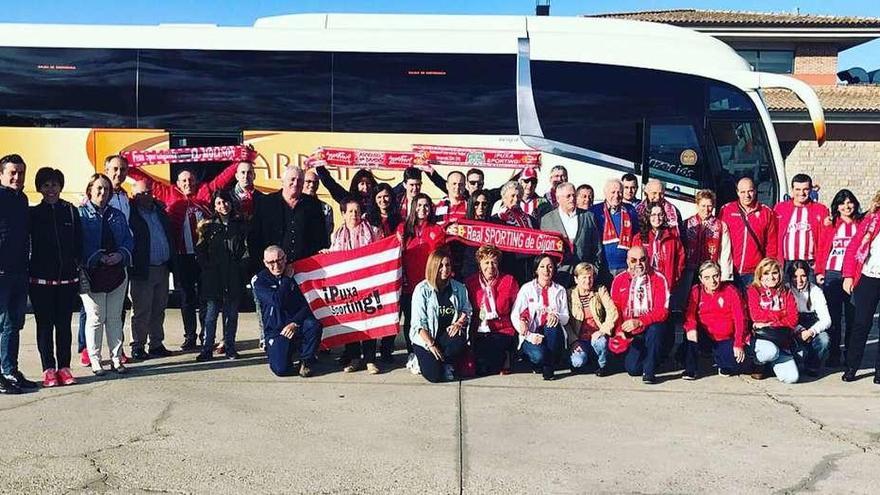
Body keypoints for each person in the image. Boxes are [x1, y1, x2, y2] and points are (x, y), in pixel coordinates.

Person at [128, 162, 240, 351]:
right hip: (182, 256)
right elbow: (145, 180)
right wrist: (129, 165)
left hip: (206, 257)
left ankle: (206, 335)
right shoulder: (169, 193)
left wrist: (238, 160)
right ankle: (190, 336)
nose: (188, 183)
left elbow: (223, 177)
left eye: (191, 180)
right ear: (178, 183)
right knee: (186, 298)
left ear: (196, 181)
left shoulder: (205, 191)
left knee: (207, 297)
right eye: (184, 180)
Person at [28, 168, 82, 387]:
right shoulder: (33, 214)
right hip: (40, 281)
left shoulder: (70, 211)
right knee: (44, 326)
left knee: (64, 325)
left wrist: (77, 267)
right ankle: (48, 369)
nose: (51, 190)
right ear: (40, 188)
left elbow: (79, 242)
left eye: (55, 185)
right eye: (46, 185)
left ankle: (64, 368)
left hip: (67, 280)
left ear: (61, 186)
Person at [79, 173, 134, 375]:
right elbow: (79, 243)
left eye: (107, 189)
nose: (103, 193)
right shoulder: (81, 214)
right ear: (90, 190)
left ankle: (116, 358)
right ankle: (95, 359)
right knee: (95, 317)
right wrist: (98, 257)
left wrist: (121, 255)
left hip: (117, 272)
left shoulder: (117, 215)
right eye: (99, 188)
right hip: (92, 273)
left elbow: (128, 239)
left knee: (114, 318)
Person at [327, 197, 382, 374]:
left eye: (357, 211)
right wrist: (325, 255)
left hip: (368, 284)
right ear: (343, 214)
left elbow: (381, 253)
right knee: (351, 322)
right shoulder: (336, 235)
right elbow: (334, 257)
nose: (354, 214)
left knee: (369, 321)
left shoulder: (372, 231)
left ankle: (370, 359)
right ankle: (354, 358)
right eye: (350, 211)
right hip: (348, 287)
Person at [195, 190, 250, 362]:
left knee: (231, 315)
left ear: (231, 203)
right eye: (218, 203)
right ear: (214, 205)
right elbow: (200, 250)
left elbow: (246, 250)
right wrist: (208, 268)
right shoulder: (207, 226)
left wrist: (241, 268)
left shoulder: (240, 225)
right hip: (214, 277)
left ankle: (230, 347)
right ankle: (207, 348)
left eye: (225, 202)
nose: (223, 206)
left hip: (234, 276)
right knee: (211, 315)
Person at [252, 246, 323, 377]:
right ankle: (287, 353)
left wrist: (295, 322)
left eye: (279, 260)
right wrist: (286, 279)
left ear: (285, 258)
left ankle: (306, 360)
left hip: (296, 325)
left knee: (313, 325)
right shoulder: (260, 281)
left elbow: (309, 303)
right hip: (276, 330)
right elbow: (277, 301)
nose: (276, 265)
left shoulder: (299, 274)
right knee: (281, 370)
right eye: (271, 262)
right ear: (265, 263)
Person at [0, 154, 37, 394]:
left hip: (19, 271)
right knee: (3, 324)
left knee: (14, 324)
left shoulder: (22, 198)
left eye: (21, 172)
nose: (17, 177)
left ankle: (10, 370)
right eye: (12, 172)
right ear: (1, 174)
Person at [127, 178, 174, 361]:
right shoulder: (131, 213)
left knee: (159, 309)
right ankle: (137, 345)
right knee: (141, 310)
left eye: (148, 192)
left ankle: (156, 344)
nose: (146, 196)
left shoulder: (160, 210)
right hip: (143, 269)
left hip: (162, 268)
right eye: (141, 193)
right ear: (133, 195)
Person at [397, 193, 446, 364]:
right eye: (418, 205)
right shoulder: (403, 229)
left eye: (426, 205)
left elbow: (440, 257)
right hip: (408, 283)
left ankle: (430, 349)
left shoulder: (437, 230)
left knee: (430, 317)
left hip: (429, 284)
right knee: (411, 319)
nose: (422, 209)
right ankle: (413, 351)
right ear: (413, 207)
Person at [610, 246, 670, 384]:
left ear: (648, 260)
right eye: (633, 260)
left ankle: (649, 371)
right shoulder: (619, 280)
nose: (638, 263)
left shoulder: (659, 278)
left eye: (642, 259)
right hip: (630, 331)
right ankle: (653, 358)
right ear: (627, 261)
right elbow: (615, 310)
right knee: (633, 369)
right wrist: (619, 331)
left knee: (657, 329)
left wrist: (640, 321)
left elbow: (662, 311)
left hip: (651, 326)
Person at [815, 189, 862, 367]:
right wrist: (820, 271)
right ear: (837, 206)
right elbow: (822, 248)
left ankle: (850, 354)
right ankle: (833, 353)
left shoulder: (862, 223)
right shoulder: (832, 224)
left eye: (849, 202)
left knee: (853, 317)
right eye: (842, 203)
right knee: (834, 318)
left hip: (855, 276)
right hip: (833, 274)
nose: (846, 206)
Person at [410, 248, 472, 383]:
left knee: (459, 338)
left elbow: (467, 310)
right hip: (426, 339)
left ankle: (446, 362)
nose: (445, 269)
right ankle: (418, 360)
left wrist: (459, 323)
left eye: (447, 265)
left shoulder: (459, 288)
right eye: (440, 266)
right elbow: (418, 324)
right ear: (433, 267)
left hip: (446, 338)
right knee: (434, 376)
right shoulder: (422, 290)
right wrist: (431, 344)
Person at [681, 261, 748, 379]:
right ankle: (690, 368)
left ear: (720, 275)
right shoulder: (696, 291)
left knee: (734, 365)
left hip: (725, 337)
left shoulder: (730, 290)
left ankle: (721, 360)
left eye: (715, 276)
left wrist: (738, 343)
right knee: (690, 335)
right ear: (701, 279)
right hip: (704, 335)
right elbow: (690, 315)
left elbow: (740, 318)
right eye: (707, 277)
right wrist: (691, 329)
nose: (712, 281)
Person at [840, 189, 880, 384]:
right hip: (869, 277)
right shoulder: (872, 219)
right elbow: (854, 247)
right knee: (861, 323)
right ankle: (851, 366)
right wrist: (848, 275)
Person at [512, 254, 570, 381]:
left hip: (552, 334)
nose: (546, 270)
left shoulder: (560, 290)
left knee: (553, 325)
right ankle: (538, 362)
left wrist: (556, 316)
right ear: (536, 270)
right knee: (539, 356)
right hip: (532, 333)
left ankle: (548, 368)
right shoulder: (526, 289)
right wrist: (530, 336)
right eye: (542, 266)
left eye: (550, 267)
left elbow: (566, 318)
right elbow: (515, 315)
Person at [465, 246, 519, 376]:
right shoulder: (470, 282)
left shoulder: (509, 281)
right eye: (486, 262)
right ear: (479, 264)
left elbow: (518, 308)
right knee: (479, 368)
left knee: (491, 358)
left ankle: (505, 356)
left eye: (494, 262)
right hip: (479, 331)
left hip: (502, 330)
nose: (490, 266)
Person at [718, 177, 779, 288]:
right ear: (737, 192)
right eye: (743, 192)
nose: (747, 195)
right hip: (730, 270)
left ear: (755, 191)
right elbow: (719, 239)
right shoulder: (726, 210)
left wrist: (768, 268)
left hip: (754, 272)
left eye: (750, 191)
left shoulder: (766, 212)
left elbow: (772, 244)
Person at [746, 258, 800, 384]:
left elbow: (793, 319)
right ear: (760, 275)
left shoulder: (786, 292)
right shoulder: (753, 290)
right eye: (766, 273)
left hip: (781, 339)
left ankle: (771, 365)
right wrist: (782, 313)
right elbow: (756, 316)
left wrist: (772, 323)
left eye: (774, 273)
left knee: (792, 378)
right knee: (770, 351)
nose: (771, 277)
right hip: (761, 338)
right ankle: (758, 363)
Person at [540, 182, 601, 286]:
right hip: (558, 276)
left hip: (584, 278)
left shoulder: (588, 217)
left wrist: (594, 269)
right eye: (568, 196)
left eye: (574, 195)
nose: (572, 199)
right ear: (558, 198)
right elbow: (543, 251)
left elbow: (597, 248)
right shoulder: (547, 220)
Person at [774, 173, 830, 277]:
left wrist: (820, 266)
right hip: (786, 263)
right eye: (798, 189)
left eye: (805, 189)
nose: (802, 193)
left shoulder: (820, 210)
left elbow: (825, 240)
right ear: (792, 189)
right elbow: (773, 236)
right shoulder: (780, 209)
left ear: (811, 190)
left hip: (810, 264)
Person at [567, 262, 617, 376]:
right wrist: (573, 341)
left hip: (596, 335)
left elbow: (612, 311)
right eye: (584, 277)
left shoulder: (600, 291)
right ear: (576, 279)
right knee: (577, 362)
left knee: (601, 343)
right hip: (579, 338)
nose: (588, 281)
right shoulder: (569, 294)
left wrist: (603, 330)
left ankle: (602, 365)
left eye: (590, 277)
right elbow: (566, 322)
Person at [589, 179, 640, 282]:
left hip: (625, 266)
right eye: (613, 192)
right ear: (605, 193)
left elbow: (636, 237)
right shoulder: (594, 211)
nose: (616, 195)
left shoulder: (630, 210)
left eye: (619, 192)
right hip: (603, 267)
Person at [788, 261, 831, 377]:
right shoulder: (786, 290)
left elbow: (826, 319)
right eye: (795, 276)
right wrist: (799, 330)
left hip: (811, 325)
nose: (799, 280)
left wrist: (811, 331)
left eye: (803, 276)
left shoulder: (816, 291)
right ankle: (795, 360)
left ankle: (812, 365)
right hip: (792, 326)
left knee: (824, 340)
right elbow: (784, 316)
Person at [492, 181, 537, 284]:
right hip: (506, 267)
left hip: (528, 269)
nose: (516, 199)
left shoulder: (531, 220)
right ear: (504, 198)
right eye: (512, 196)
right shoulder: (496, 220)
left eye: (518, 196)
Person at [635, 201, 685, 290]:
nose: (657, 218)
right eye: (653, 215)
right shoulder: (639, 238)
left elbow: (681, 259)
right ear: (648, 217)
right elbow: (633, 260)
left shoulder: (672, 237)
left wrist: (675, 277)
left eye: (660, 214)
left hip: (666, 284)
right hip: (645, 284)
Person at [314, 164, 378, 213]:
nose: (365, 187)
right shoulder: (349, 199)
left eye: (368, 183)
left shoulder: (379, 199)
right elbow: (331, 185)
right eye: (362, 184)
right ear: (356, 185)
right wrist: (319, 167)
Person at [459, 190, 492, 280]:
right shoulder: (462, 225)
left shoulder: (496, 224)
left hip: (490, 272)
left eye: (484, 204)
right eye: (476, 203)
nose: (480, 207)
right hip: (469, 273)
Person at [303, 168, 334, 245]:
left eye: (315, 182)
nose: (312, 185)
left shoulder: (326, 208)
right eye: (308, 181)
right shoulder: (292, 205)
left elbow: (328, 231)